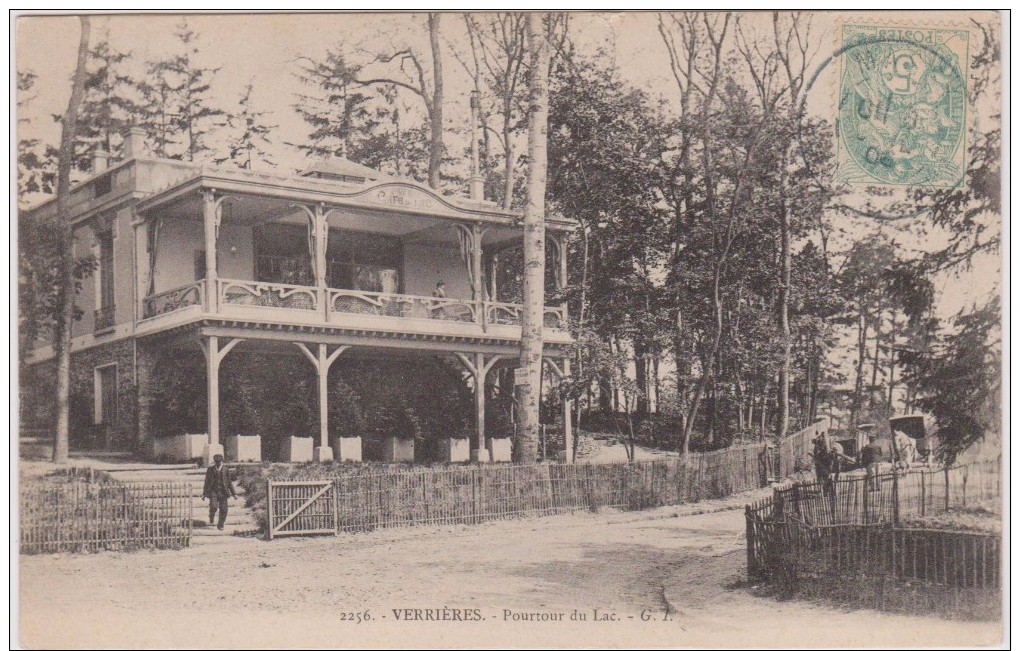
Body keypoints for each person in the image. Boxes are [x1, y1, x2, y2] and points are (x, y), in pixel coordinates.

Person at [202, 454, 237, 530]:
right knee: (213, 507)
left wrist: (234, 494)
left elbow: (229, 483)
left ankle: (220, 524)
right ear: (214, 462)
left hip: (223, 492)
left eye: (219, 462)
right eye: (216, 462)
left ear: (222, 461)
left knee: (224, 509)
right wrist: (204, 494)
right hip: (213, 491)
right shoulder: (210, 469)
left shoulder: (225, 470)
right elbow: (207, 482)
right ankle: (211, 515)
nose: (218, 463)